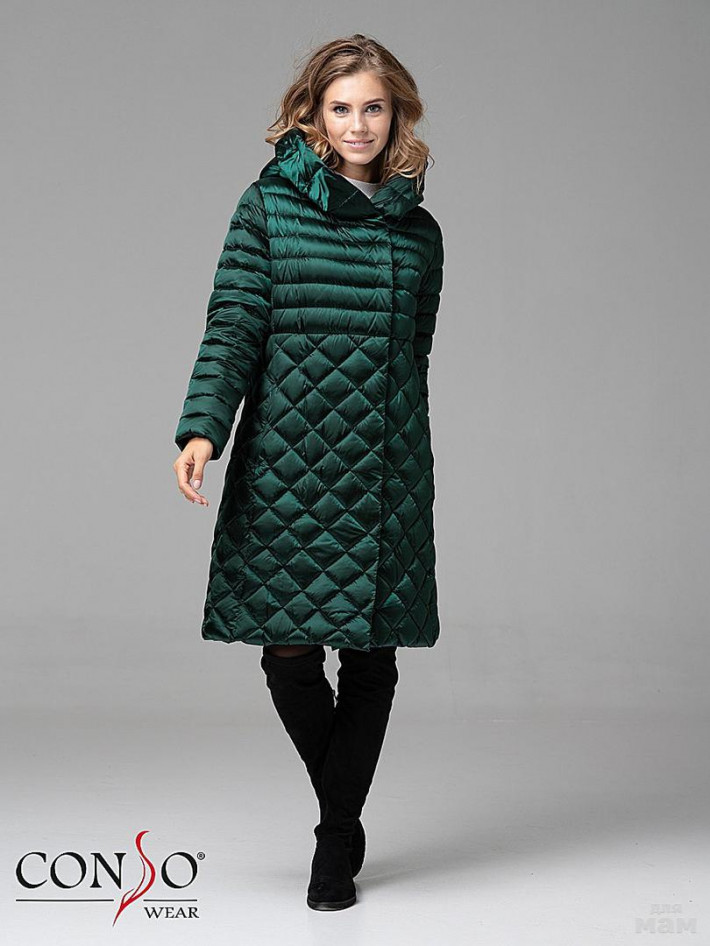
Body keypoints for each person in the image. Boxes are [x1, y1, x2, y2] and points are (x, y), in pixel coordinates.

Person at [173, 33, 445, 911]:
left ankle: (334, 839)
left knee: (371, 655)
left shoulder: (421, 233)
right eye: (341, 108)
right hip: (289, 461)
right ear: (312, 116)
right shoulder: (268, 208)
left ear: (396, 115)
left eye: (374, 107)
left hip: (385, 468)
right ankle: (345, 814)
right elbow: (233, 324)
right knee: (288, 653)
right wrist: (204, 429)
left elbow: (413, 360)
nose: (358, 124)